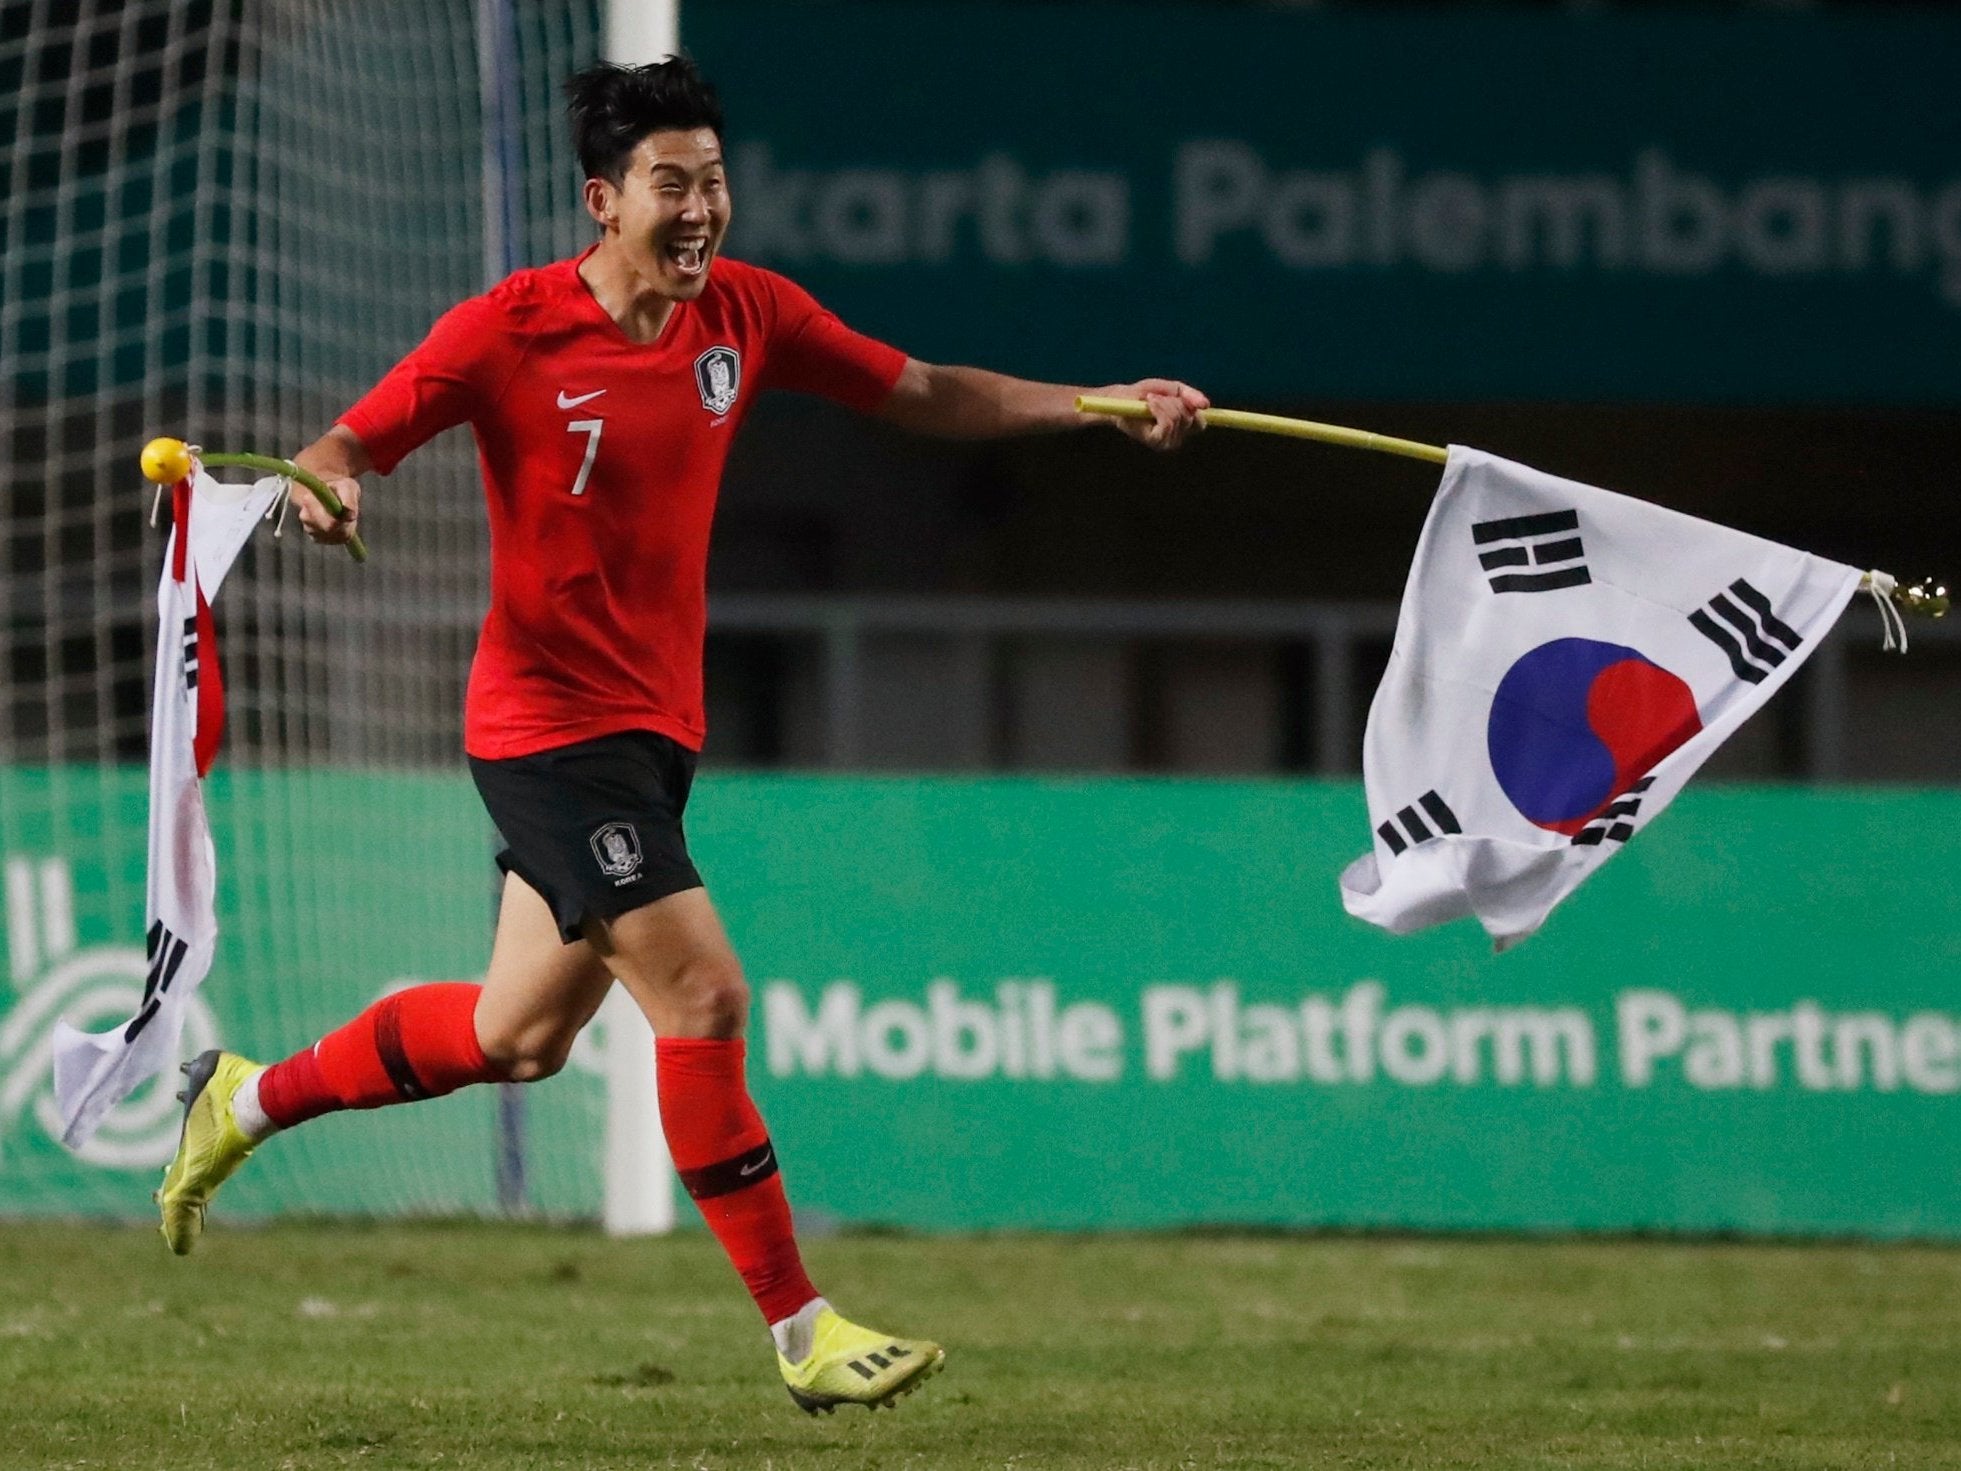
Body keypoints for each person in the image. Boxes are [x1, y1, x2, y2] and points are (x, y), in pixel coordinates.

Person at [156, 56, 1206, 1416]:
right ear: (604, 201)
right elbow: (352, 443)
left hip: (653, 735)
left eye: (713, 180)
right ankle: (803, 1331)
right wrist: (331, 490)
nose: (702, 206)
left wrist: (1096, 403)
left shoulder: (747, 315)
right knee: (702, 997)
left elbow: (923, 390)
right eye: (672, 184)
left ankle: (239, 1099)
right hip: (543, 732)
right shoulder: (508, 329)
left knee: (514, 1035)